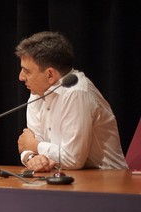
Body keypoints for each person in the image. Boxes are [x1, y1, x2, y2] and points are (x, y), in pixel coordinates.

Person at [15, 31, 128, 171]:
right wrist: (32, 158)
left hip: (107, 180)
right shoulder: (37, 93)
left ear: (50, 74)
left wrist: (36, 146)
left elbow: (73, 160)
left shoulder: (76, 92)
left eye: (27, 71)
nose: (21, 77)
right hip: (61, 178)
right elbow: (27, 145)